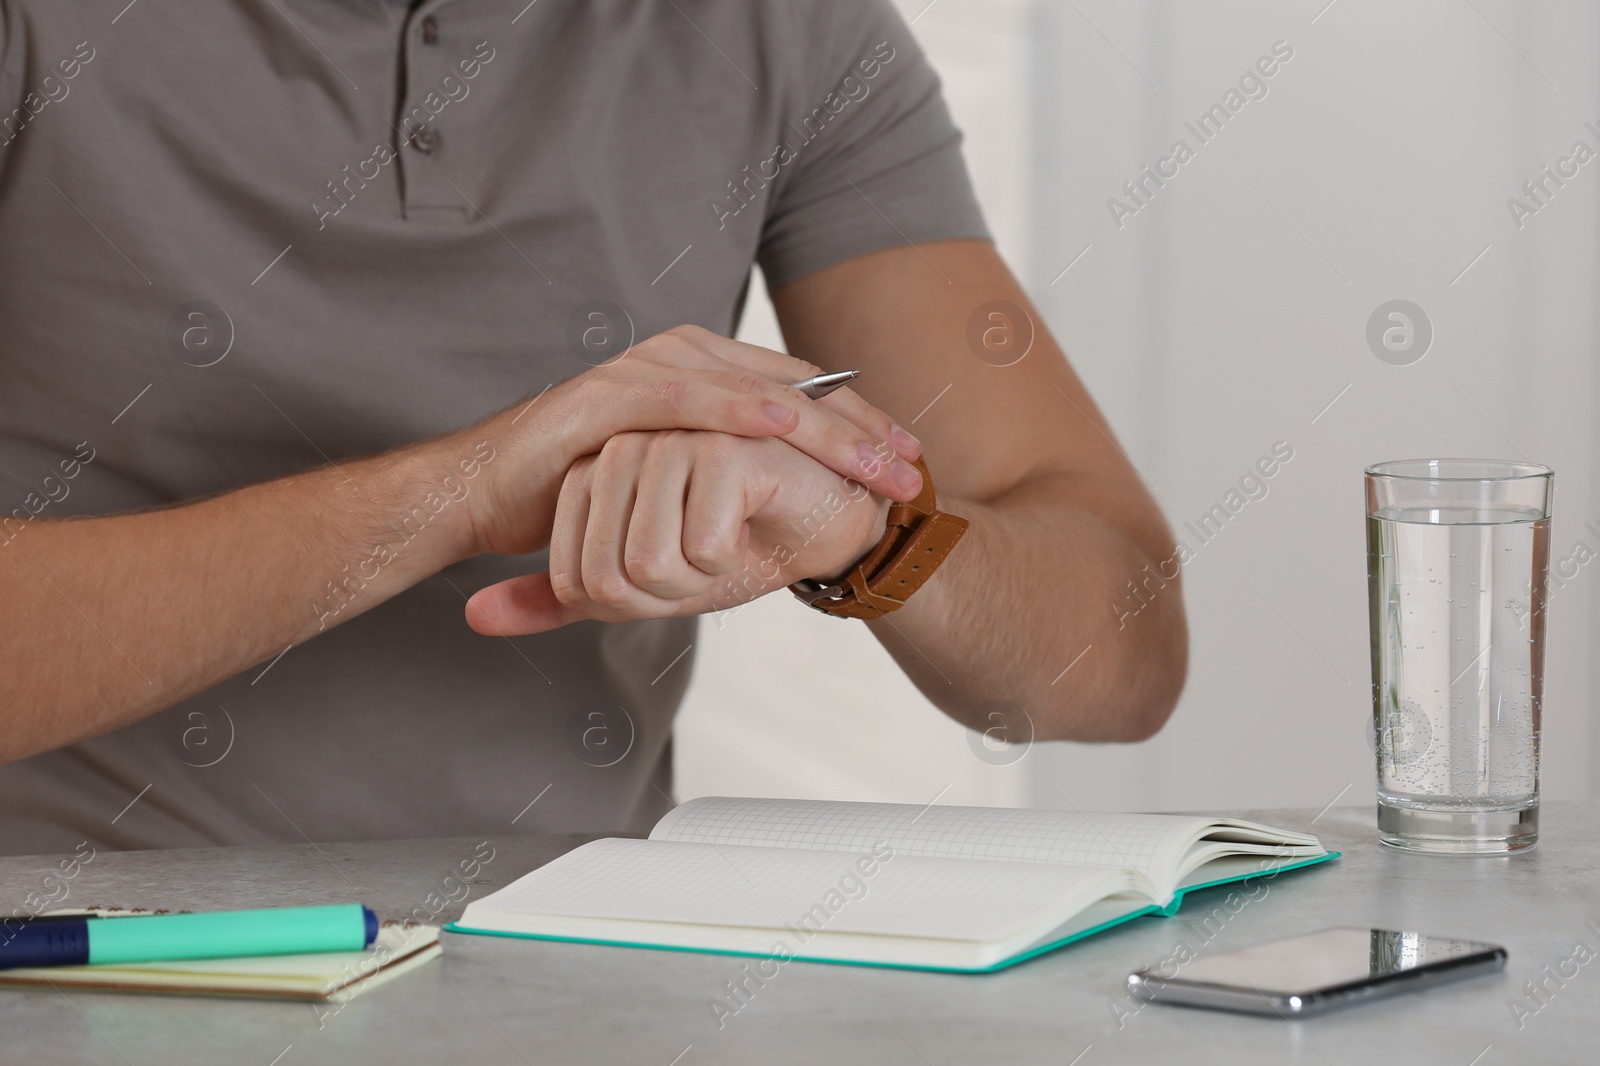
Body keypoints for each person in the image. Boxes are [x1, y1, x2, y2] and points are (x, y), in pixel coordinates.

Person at [0, 0, 1187, 854]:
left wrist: (863, 529)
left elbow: (1121, 655)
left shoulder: (786, 32)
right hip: (78, 970)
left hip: (574, 980)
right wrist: (455, 495)